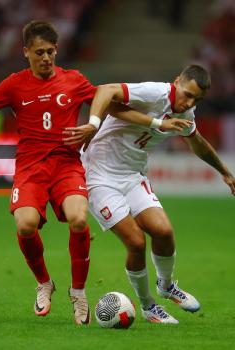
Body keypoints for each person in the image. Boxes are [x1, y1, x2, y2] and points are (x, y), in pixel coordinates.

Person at [0, 20, 191, 326]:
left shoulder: (74, 80)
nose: (46, 58)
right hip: (30, 168)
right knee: (26, 225)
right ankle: (44, 282)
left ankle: (78, 292)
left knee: (79, 218)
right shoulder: (14, 84)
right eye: (39, 52)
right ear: (26, 52)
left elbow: (112, 106)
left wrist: (155, 123)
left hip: (67, 165)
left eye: (51, 51)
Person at [65, 64, 235, 324]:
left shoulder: (187, 110)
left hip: (133, 176)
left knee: (164, 232)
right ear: (177, 81)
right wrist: (93, 124)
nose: (188, 102)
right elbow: (105, 91)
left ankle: (166, 286)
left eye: (196, 99)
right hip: (98, 175)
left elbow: (196, 141)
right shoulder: (153, 93)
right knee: (136, 243)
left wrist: (224, 172)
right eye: (187, 93)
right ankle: (147, 306)